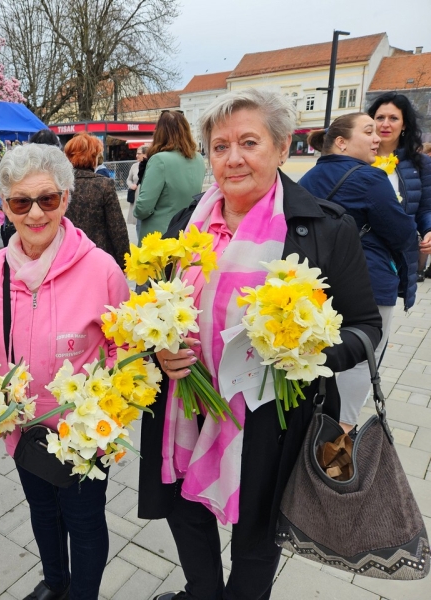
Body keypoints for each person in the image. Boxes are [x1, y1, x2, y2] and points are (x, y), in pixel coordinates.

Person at [139, 89, 381, 600]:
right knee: (186, 513)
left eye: (249, 142)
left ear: (282, 147)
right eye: (220, 146)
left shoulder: (323, 228)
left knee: (257, 532)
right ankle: (202, 592)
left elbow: (364, 327)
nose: (233, 158)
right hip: (188, 405)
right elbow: (158, 309)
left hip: (271, 421)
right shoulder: (186, 224)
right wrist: (157, 349)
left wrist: (305, 352)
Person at [0, 143, 130, 600]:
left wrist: (99, 411)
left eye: (48, 199)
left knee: (84, 521)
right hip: (23, 431)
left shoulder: (101, 269)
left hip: (83, 436)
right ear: (4, 207)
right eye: (21, 202)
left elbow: (125, 349)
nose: (36, 213)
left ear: (66, 199)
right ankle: (55, 583)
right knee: (42, 511)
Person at [299, 114, 416, 432]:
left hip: (316, 283)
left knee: (321, 353)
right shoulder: (369, 178)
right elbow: (402, 233)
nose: (378, 138)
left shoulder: (307, 179)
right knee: (364, 354)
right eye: (368, 131)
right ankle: (342, 432)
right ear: (341, 142)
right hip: (368, 281)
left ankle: (314, 422)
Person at [367, 92, 431, 281]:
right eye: (380, 118)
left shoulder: (421, 163)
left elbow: (425, 209)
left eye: (393, 118)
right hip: (360, 250)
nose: (385, 124)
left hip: (399, 253)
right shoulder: (358, 159)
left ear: (404, 124)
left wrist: (429, 229)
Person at [134, 111, 206, 241]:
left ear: (160, 132)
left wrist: (137, 211)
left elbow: (143, 207)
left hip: (160, 235)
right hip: (186, 231)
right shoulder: (198, 159)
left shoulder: (159, 160)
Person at [63, 133, 129, 268]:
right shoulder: (104, 185)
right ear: (93, 158)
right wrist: (125, 262)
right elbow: (117, 228)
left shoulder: (59, 185)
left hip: (66, 256)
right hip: (98, 256)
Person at [125, 146, 147, 238]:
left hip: (146, 198)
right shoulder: (134, 166)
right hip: (136, 197)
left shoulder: (151, 166)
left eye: (139, 153)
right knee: (138, 223)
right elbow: (128, 179)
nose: (136, 155)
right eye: (137, 153)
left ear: (145, 154)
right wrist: (131, 185)